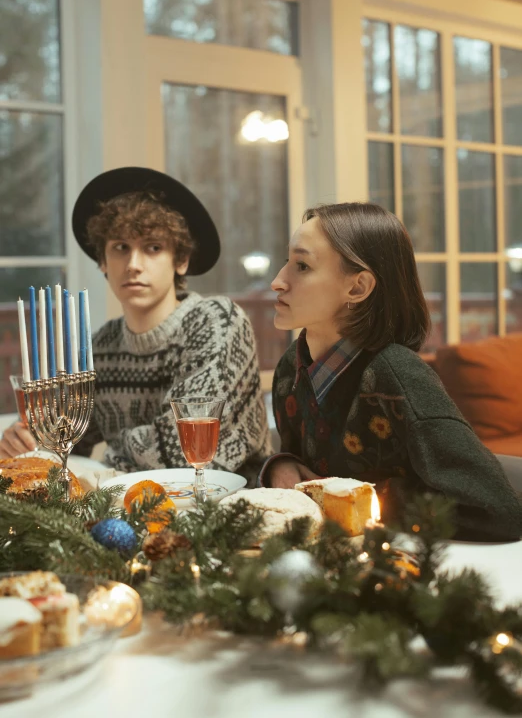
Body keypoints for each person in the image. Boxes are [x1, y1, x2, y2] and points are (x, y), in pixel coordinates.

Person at [260, 202, 522, 542]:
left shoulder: (397, 373)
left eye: (302, 266)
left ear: (357, 288)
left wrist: (363, 500)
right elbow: (308, 473)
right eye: (287, 262)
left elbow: (498, 510)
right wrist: (280, 465)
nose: (277, 282)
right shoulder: (289, 370)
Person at [1, 167, 271, 482]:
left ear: (181, 260)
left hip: (232, 509)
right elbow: (63, 437)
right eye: (120, 248)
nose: (133, 265)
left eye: (153, 248)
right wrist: (24, 442)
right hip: (134, 512)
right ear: (102, 260)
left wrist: (115, 449)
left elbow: (184, 455)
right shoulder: (101, 346)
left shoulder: (216, 321)